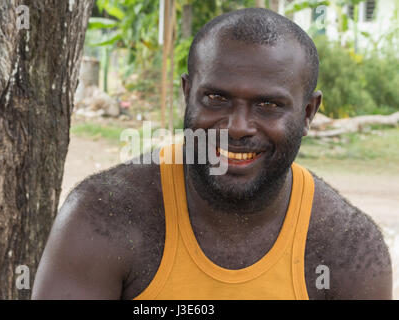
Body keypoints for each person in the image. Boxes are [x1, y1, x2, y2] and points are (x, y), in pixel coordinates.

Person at [31, 8, 392, 300]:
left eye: (268, 105)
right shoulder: (103, 216)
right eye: (217, 99)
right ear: (188, 94)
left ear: (308, 113)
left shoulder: (347, 250)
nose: (237, 127)